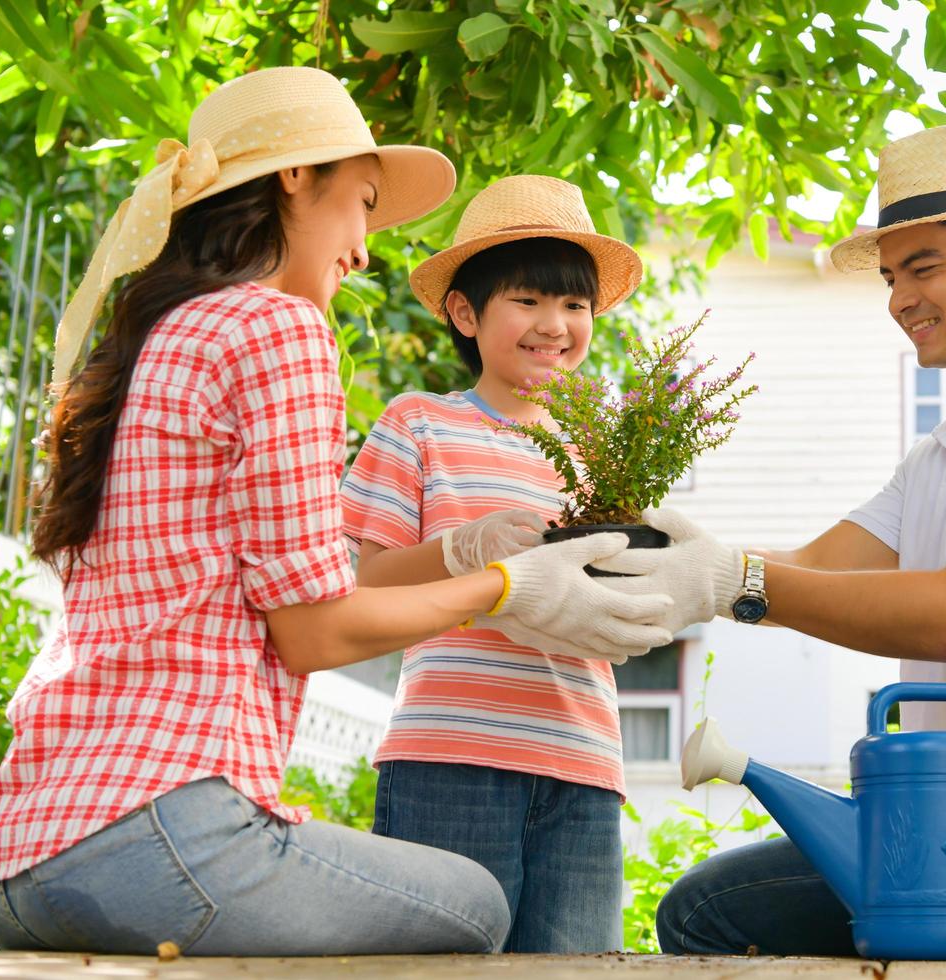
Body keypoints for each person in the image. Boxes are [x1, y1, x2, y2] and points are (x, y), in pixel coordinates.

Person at [0, 67, 671, 958]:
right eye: (364, 203)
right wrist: (501, 581)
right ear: (297, 178)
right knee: (478, 907)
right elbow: (313, 630)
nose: (364, 247)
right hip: (162, 834)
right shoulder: (279, 329)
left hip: (17, 859)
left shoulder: (149, 337)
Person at [608, 124, 946, 958]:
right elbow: (818, 565)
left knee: (706, 914)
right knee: (710, 905)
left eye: (925, 268)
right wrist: (653, 554)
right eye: (891, 276)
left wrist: (731, 582)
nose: (900, 298)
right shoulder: (944, 450)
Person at [339, 174, 645, 953]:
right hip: (447, 755)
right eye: (529, 301)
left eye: (574, 305)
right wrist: (462, 547)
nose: (556, 325)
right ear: (466, 313)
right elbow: (364, 586)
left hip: (582, 762)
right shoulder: (420, 425)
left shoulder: (600, 453)